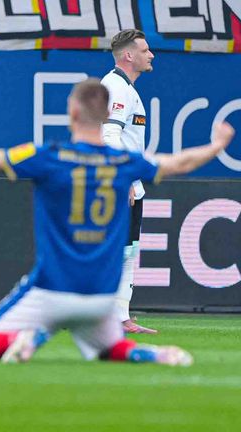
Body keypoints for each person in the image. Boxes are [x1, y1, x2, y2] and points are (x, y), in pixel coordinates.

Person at [0, 79, 235, 365]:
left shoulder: (48, 156)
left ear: (72, 112)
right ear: (105, 115)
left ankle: (34, 333)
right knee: (107, 349)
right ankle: (154, 355)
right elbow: (178, 163)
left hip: (52, 290)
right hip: (101, 296)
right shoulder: (127, 161)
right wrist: (217, 145)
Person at [101, 29, 156, 333]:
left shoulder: (126, 87)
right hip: (120, 183)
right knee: (116, 252)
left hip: (129, 182)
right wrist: (123, 181)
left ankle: (120, 317)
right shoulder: (116, 87)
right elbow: (110, 135)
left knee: (126, 252)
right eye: (145, 50)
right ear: (128, 56)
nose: (151, 55)